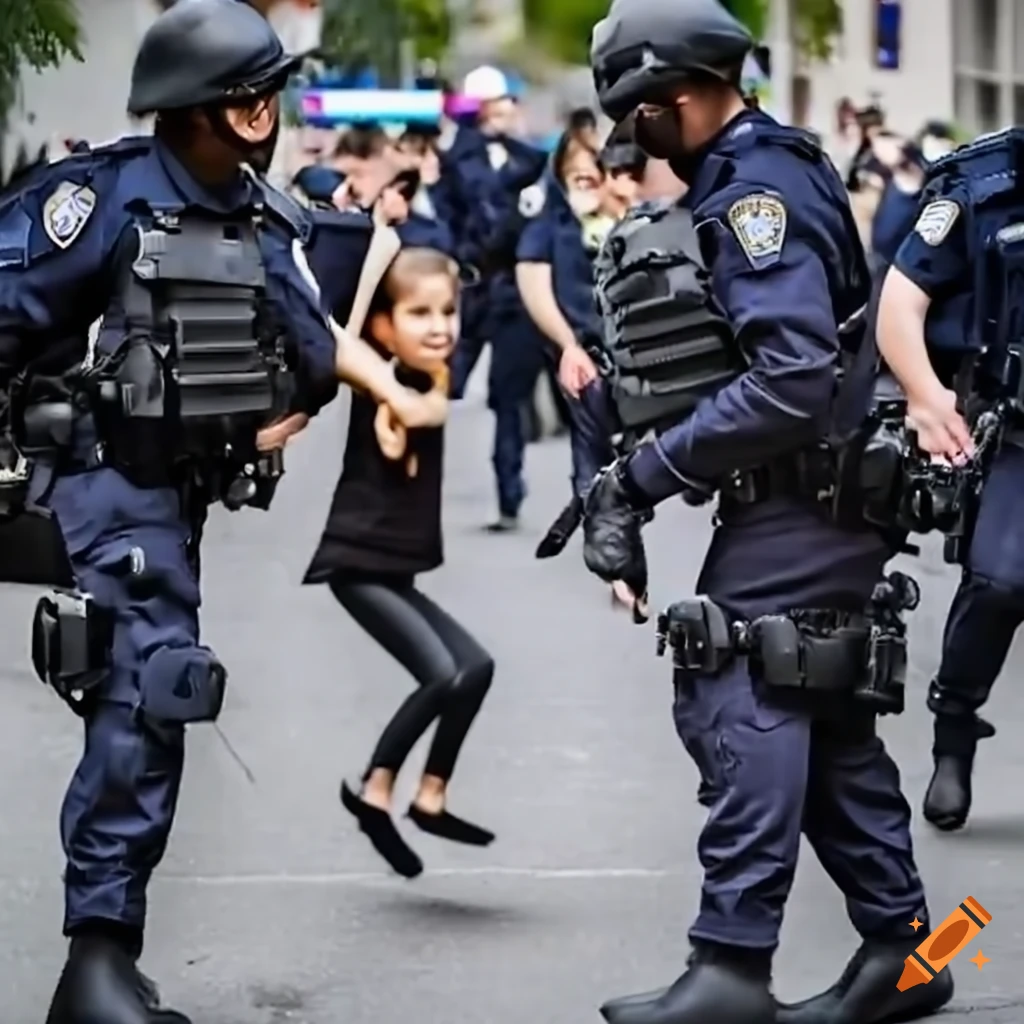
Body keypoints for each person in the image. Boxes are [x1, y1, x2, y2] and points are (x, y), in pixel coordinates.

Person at [0, 3, 443, 1021]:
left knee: (152, 700)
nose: (275, 112)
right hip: (109, 488)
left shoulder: (262, 216)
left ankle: (107, 956)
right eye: (262, 94)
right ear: (230, 111)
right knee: (152, 692)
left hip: (178, 497)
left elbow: (311, 346)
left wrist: (262, 419)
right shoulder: (100, 199)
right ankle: (97, 962)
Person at [581, 2, 950, 1023]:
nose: (635, 137)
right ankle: (901, 950)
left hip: (804, 495)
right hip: (820, 497)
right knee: (818, 707)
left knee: (735, 673)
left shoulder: (750, 190)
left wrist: (643, 477)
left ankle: (732, 967)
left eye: (640, 114)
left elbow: (790, 376)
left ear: (673, 99)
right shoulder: (772, 165)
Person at [304, 248, 495, 878]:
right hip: (357, 566)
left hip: (392, 571)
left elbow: (434, 404)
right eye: (418, 313)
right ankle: (375, 790)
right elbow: (347, 335)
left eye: (447, 311)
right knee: (441, 674)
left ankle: (429, 794)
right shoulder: (380, 377)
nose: (439, 326)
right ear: (384, 328)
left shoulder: (431, 375)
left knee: (476, 667)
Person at [876, 128, 1020, 832]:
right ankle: (954, 732)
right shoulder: (985, 183)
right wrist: (927, 398)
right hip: (1017, 429)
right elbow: (900, 302)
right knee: (1000, 583)